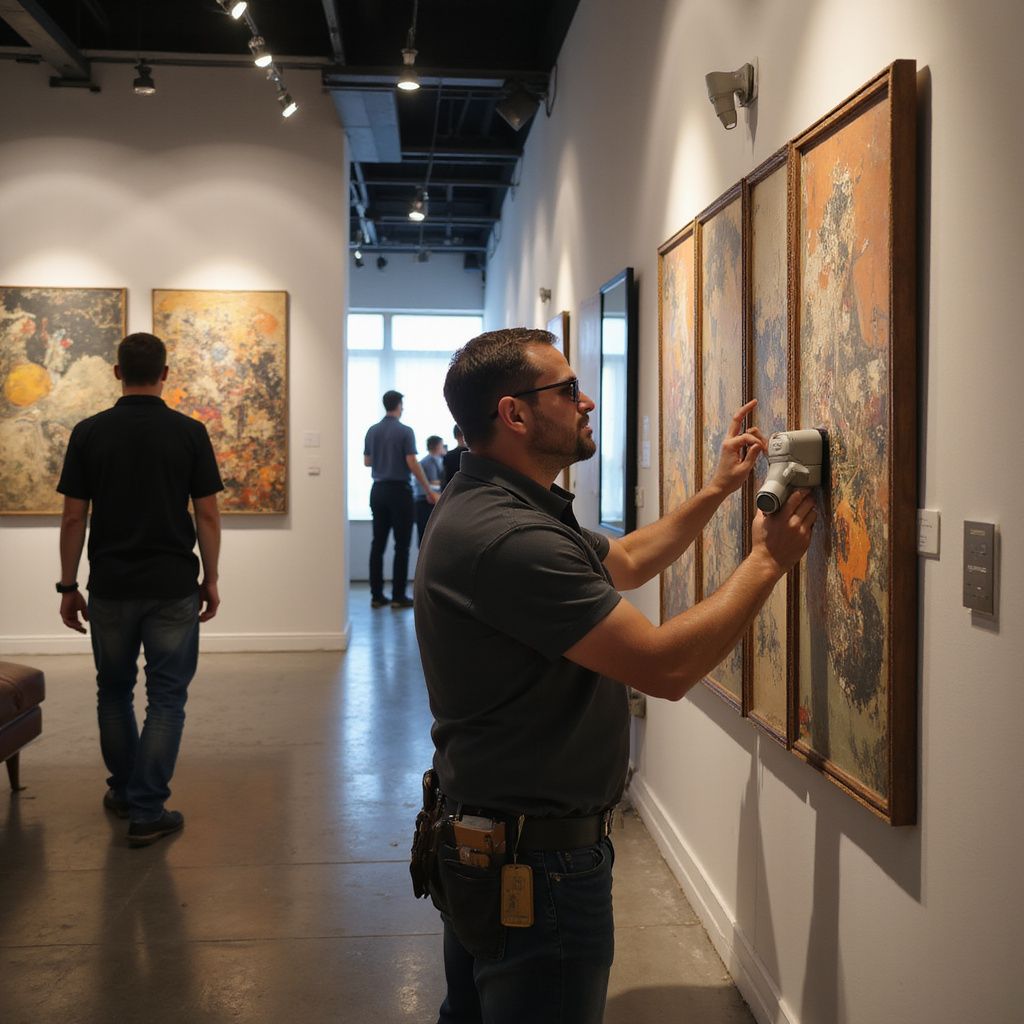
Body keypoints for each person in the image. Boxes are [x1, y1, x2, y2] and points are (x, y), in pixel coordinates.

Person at [413, 327, 816, 1024]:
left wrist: (719, 488)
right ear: (514, 414)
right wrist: (768, 562)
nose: (588, 401)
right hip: (534, 866)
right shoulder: (509, 538)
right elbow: (665, 667)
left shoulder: (498, 501)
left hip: (490, 838)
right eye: (568, 390)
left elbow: (626, 559)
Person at [56, 332, 223, 848]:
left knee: (113, 691)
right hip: (173, 585)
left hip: (110, 585)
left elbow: (72, 517)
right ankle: (148, 809)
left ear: (116, 372)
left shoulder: (89, 433)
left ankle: (126, 793)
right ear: (165, 373)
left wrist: (68, 586)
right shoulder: (189, 433)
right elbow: (208, 515)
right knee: (167, 699)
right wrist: (210, 579)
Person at [364, 390, 437, 609]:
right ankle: (398, 596)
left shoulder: (372, 430)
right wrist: (428, 490)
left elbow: (367, 462)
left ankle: (376, 595)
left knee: (378, 544)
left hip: (377, 490)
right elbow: (412, 462)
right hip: (399, 492)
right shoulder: (405, 431)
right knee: (401, 546)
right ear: (398, 405)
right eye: (402, 405)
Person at [414, 435, 446, 545]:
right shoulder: (430, 461)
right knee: (427, 537)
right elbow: (434, 481)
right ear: (438, 446)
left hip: (425, 500)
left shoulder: (429, 460)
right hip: (427, 501)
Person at [440, 423, 468, 490]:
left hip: (454, 492)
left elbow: (446, 480)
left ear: (455, 437)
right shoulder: (474, 454)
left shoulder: (448, 456)